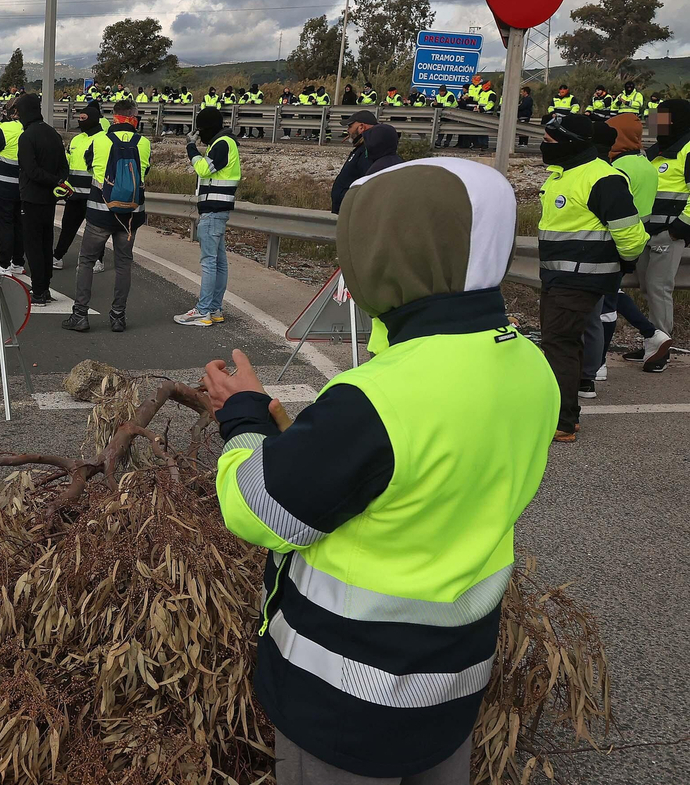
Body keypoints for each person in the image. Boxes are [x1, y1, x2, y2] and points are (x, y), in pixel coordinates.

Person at [206, 157, 556, 785]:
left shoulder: (377, 401)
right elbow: (421, 479)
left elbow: (257, 506)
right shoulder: (531, 366)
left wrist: (243, 418)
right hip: (453, 679)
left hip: (345, 697)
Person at [537, 112, 648, 440]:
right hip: (558, 278)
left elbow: (631, 235)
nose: (544, 146)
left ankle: (564, 421)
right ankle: (566, 415)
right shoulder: (562, 174)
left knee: (560, 344)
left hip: (580, 280)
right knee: (563, 343)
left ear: (570, 142)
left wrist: (620, 264)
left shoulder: (603, 178)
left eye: (549, 141)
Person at [582, 113, 673, 383]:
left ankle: (597, 364)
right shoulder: (645, 163)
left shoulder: (618, 168)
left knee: (606, 304)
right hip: (638, 235)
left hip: (615, 238)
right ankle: (652, 334)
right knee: (613, 293)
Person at [63, 100, 150, 333]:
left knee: (87, 262)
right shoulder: (144, 143)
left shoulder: (98, 140)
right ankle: (118, 316)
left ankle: (80, 314)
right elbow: (145, 172)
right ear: (134, 118)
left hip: (100, 213)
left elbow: (90, 167)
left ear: (114, 117)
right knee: (123, 264)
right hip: (131, 216)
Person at [175, 105, 240, 326]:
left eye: (200, 129)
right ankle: (215, 309)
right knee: (219, 262)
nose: (199, 133)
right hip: (218, 210)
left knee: (209, 262)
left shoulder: (222, 144)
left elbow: (204, 169)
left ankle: (203, 311)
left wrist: (191, 147)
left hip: (212, 211)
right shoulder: (224, 143)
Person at [637, 97, 690, 362]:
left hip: (668, 234)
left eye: (663, 117)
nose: (657, 123)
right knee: (648, 289)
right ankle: (652, 342)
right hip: (647, 232)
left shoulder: (688, 148)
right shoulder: (659, 147)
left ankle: (661, 352)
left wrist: (679, 228)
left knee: (658, 289)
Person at [14, 94, 68, 304]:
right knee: (47, 243)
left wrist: (52, 180)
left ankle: (37, 291)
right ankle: (45, 288)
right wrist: (59, 182)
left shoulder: (27, 137)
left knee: (33, 246)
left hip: (32, 198)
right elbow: (64, 166)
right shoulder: (52, 133)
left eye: (18, 112)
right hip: (50, 199)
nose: (17, 116)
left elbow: (31, 170)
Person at [54, 100, 105, 273]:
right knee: (67, 226)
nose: (80, 121)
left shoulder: (103, 140)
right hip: (74, 194)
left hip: (94, 194)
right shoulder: (76, 139)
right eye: (79, 118)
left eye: (84, 118)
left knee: (96, 230)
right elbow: (67, 162)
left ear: (93, 119)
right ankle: (58, 257)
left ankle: (99, 260)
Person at [0, 99, 27, 276]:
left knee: (5, 224)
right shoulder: (28, 128)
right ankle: (18, 262)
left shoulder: (6, 129)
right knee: (18, 224)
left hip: (2, 186)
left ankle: (4, 264)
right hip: (22, 186)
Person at [329, 109, 377, 214]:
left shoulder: (368, 151)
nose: (348, 130)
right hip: (345, 211)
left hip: (352, 213)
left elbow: (367, 186)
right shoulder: (361, 149)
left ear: (361, 127)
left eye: (350, 126)